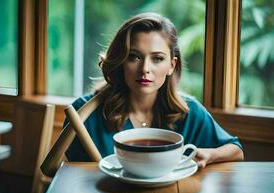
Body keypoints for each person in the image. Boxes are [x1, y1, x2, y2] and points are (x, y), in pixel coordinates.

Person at [65, 12, 244, 168]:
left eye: (157, 58)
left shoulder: (188, 111)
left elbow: (236, 150)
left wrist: (210, 155)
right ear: (121, 61)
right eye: (134, 57)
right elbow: (65, 172)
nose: (144, 69)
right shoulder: (84, 113)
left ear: (171, 66)